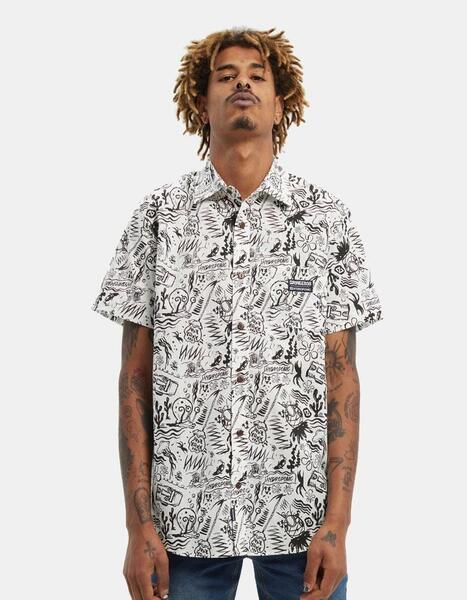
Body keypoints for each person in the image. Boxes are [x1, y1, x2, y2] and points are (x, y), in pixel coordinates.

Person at [91, 26, 384, 600]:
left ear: (280, 104)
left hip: (301, 524)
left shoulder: (326, 221)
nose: (241, 84)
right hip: (183, 526)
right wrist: (137, 526)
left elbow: (342, 377)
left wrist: (338, 525)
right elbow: (134, 379)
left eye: (257, 76)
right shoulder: (158, 219)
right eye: (225, 76)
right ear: (202, 105)